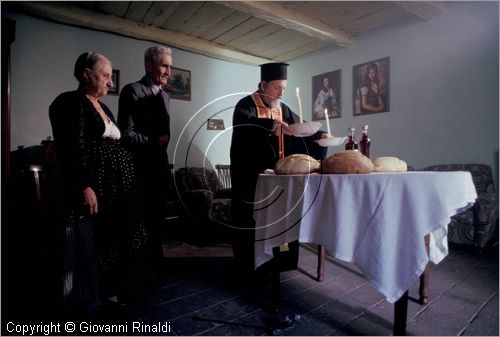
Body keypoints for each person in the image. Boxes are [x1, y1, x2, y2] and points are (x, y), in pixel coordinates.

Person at [49, 52, 150, 317]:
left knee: (120, 240)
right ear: (86, 74)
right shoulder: (69, 102)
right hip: (94, 183)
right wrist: (84, 185)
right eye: (105, 75)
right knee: (85, 242)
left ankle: (115, 290)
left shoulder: (103, 107)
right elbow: (71, 147)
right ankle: (84, 300)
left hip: (116, 186)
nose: (109, 82)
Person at [230, 62, 328, 278]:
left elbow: (299, 132)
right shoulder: (245, 105)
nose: (282, 92)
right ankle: (249, 269)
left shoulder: (283, 110)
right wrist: (270, 127)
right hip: (251, 180)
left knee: (281, 220)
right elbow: (244, 129)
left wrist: (319, 138)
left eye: (284, 88)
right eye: (277, 87)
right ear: (262, 85)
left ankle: (282, 264)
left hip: (279, 180)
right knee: (251, 226)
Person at [118, 46, 174, 267]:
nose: (168, 71)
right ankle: (137, 269)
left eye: (170, 66)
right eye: (164, 65)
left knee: (157, 221)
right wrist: (154, 142)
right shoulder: (132, 91)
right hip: (138, 171)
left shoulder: (166, 96)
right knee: (138, 225)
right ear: (149, 65)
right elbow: (126, 134)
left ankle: (155, 266)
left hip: (159, 169)